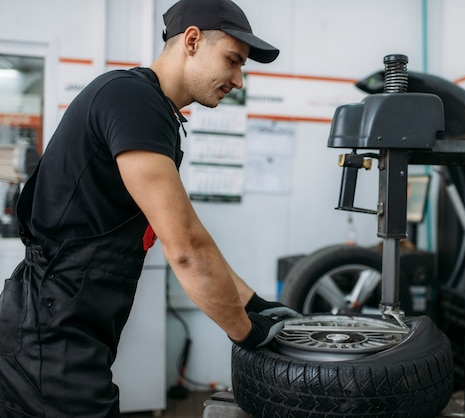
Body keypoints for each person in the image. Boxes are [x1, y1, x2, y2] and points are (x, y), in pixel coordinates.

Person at [0, 0, 299, 416]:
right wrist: (247, 334)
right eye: (233, 61)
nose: (239, 79)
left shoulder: (150, 109)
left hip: (69, 323)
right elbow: (186, 248)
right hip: (50, 330)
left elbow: (191, 230)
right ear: (192, 40)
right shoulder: (132, 99)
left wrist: (254, 303)